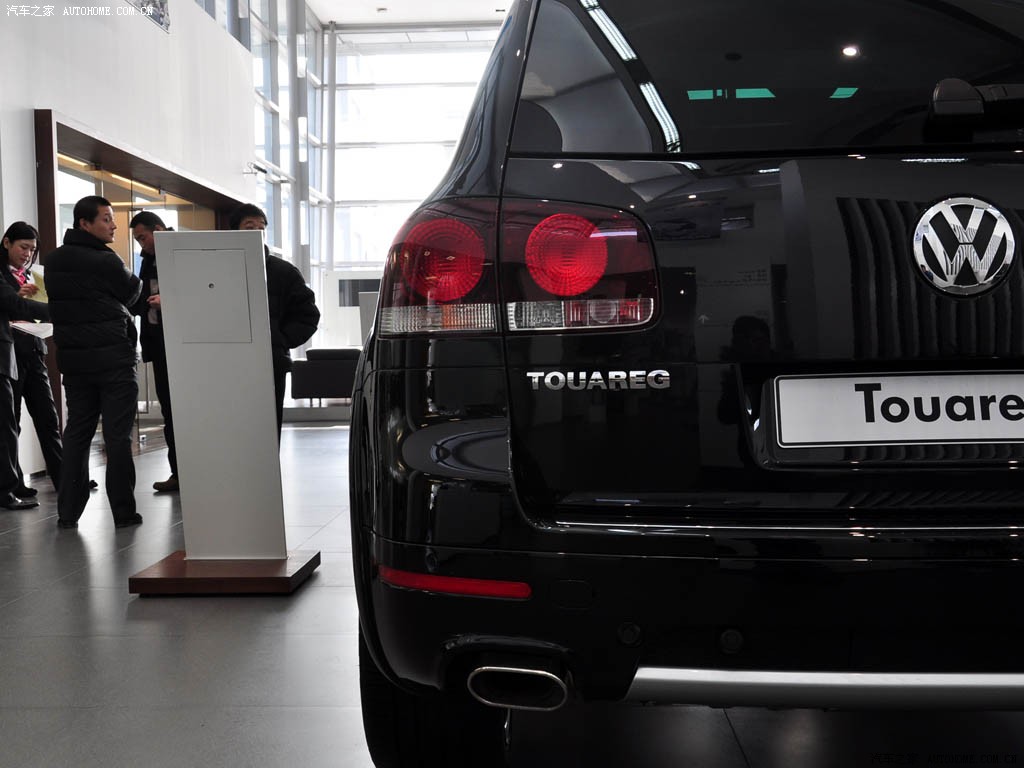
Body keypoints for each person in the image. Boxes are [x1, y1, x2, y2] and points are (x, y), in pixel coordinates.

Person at [45, 196, 143, 529]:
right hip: (114, 361)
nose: (113, 225)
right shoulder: (106, 260)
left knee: (77, 434)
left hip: (75, 363)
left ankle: (68, 512)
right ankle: (123, 512)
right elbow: (133, 295)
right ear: (84, 224)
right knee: (117, 437)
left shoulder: (54, 260)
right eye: (106, 219)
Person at [229, 204, 320, 438]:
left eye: (261, 228)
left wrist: (279, 340)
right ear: (234, 231)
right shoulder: (219, 269)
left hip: (270, 363)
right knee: (231, 425)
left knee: (267, 428)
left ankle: (267, 465)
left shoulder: (283, 272)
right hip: (226, 363)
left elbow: (308, 315)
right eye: (249, 227)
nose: (257, 232)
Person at [2, 222, 62, 496]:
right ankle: (15, 483)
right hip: (10, 355)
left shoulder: (34, 275)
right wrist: (20, 298)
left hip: (35, 351)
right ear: (7, 243)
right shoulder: (2, 274)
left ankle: (65, 479)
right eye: (23, 247)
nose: (27, 254)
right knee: (11, 422)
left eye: (32, 250)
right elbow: (10, 306)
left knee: (48, 418)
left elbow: (35, 309)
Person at [128, 211, 178, 493]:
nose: (141, 244)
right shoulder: (147, 260)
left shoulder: (183, 253)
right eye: (137, 240)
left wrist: (169, 301)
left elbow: (201, 295)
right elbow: (141, 299)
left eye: (143, 237)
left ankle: (195, 472)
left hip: (183, 345)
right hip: (158, 345)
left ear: (158, 229)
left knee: (185, 412)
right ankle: (178, 473)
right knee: (169, 412)